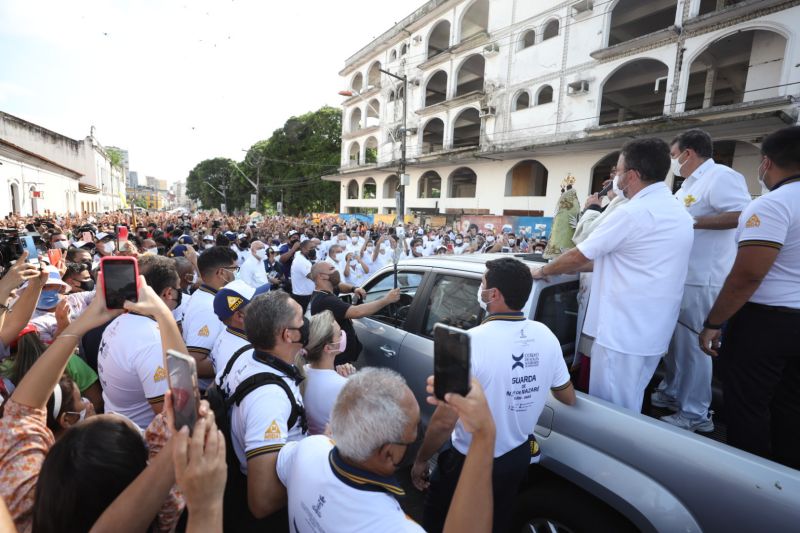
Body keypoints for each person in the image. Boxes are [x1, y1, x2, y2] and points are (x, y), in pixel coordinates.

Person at [413, 257, 576, 533]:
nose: (480, 288)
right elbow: (567, 395)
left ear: (494, 295)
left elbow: (443, 421)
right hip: (516, 457)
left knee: (440, 519)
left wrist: (419, 459)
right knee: (496, 520)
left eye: (482, 284)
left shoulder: (463, 343)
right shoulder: (545, 335)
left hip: (466, 461)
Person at [532, 138, 693, 412]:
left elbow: (581, 254)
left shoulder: (632, 213)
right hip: (652, 331)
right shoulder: (677, 209)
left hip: (622, 333)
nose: (615, 178)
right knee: (631, 402)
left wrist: (543, 270)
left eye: (617, 172)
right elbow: (615, 261)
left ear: (631, 175)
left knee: (613, 413)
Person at [277, 368, 496, 533]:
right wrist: (484, 436)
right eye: (413, 432)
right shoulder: (392, 526)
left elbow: (280, 463)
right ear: (388, 453)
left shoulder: (308, 448)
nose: (417, 436)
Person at [699, 125, 800, 469]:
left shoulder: (773, 205)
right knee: (791, 404)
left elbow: (747, 276)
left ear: (767, 163)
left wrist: (714, 322)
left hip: (766, 323)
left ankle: (748, 478)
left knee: (748, 405)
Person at [651, 129, 752, 432]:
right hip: (683, 277)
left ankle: (695, 413)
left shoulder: (721, 177)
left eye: (674, 156)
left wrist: (693, 221)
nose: (673, 162)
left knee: (695, 348)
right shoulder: (686, 186)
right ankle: (672, 392)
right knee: (676, 345)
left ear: (689, 153)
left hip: (704, 277)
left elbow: (742, 214)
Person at [223, 290, 308, 528]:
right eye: (302, 319)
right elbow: (263, 501)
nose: (307, 323)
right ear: (288, 334)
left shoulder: (245, 355)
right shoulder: (269, 398)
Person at [98, 255, 187, 429]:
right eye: (178, 288)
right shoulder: (153, 342)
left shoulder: (119, 321)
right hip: (142, 439)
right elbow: (175, 416)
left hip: (118, 423)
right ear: (168, 293)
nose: (180, 291)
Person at [308, 261, 400, 365]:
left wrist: (354, 289)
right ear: (322, 276)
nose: (336, 271)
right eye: (331, 269)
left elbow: (339, 286)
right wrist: (386, 300)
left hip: (339, 356)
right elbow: (357, 311)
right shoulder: (325, 300)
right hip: (338, 362)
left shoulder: (325, 290)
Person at [182, 245, 239, 380]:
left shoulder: (205, 295)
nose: (237, 273)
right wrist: (237, 364)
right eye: (235, 269)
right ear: (221, 273)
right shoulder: (209, 308)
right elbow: (196, 363)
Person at [301, 310, 356, 435]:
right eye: (339, 334)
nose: (343, 335)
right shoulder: (344, 387)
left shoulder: (302, 371)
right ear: (328, 348)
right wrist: (351, 380)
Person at [209, 279, 268, 382]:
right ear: (240, 316)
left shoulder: (227, 334)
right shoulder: (248, 355)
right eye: (256, 302)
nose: (262, 305)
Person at [290, 239, 316, 314]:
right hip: (303, 297)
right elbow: (312, 277)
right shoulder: (301, 261)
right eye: (311, 248)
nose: (313, 250)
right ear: (303, 249)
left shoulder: (304, 257)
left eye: (314, 248)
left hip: (306, 294)